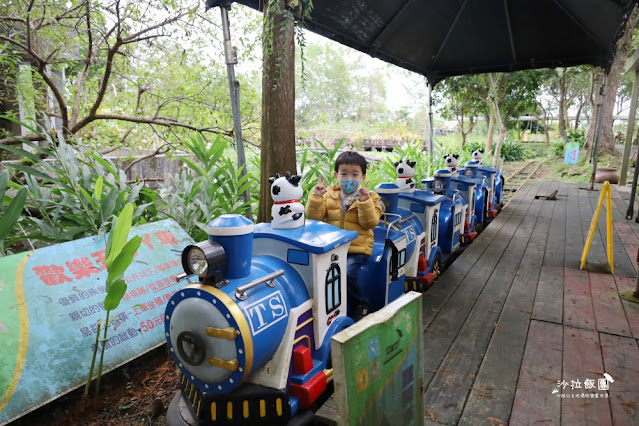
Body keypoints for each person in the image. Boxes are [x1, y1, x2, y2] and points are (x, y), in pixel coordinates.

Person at [305, 151, 382, 321]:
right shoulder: (328, 196)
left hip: (357, 248)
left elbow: (370, 222)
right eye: (344, 174)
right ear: (336, 175)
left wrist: (364, 201)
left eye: (355, 174)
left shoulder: (372, 198)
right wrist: (316, 198)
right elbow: (314, 218)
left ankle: (361, 303)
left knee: (345, 273)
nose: (349, 179)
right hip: (333, 247)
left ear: (363, 177)